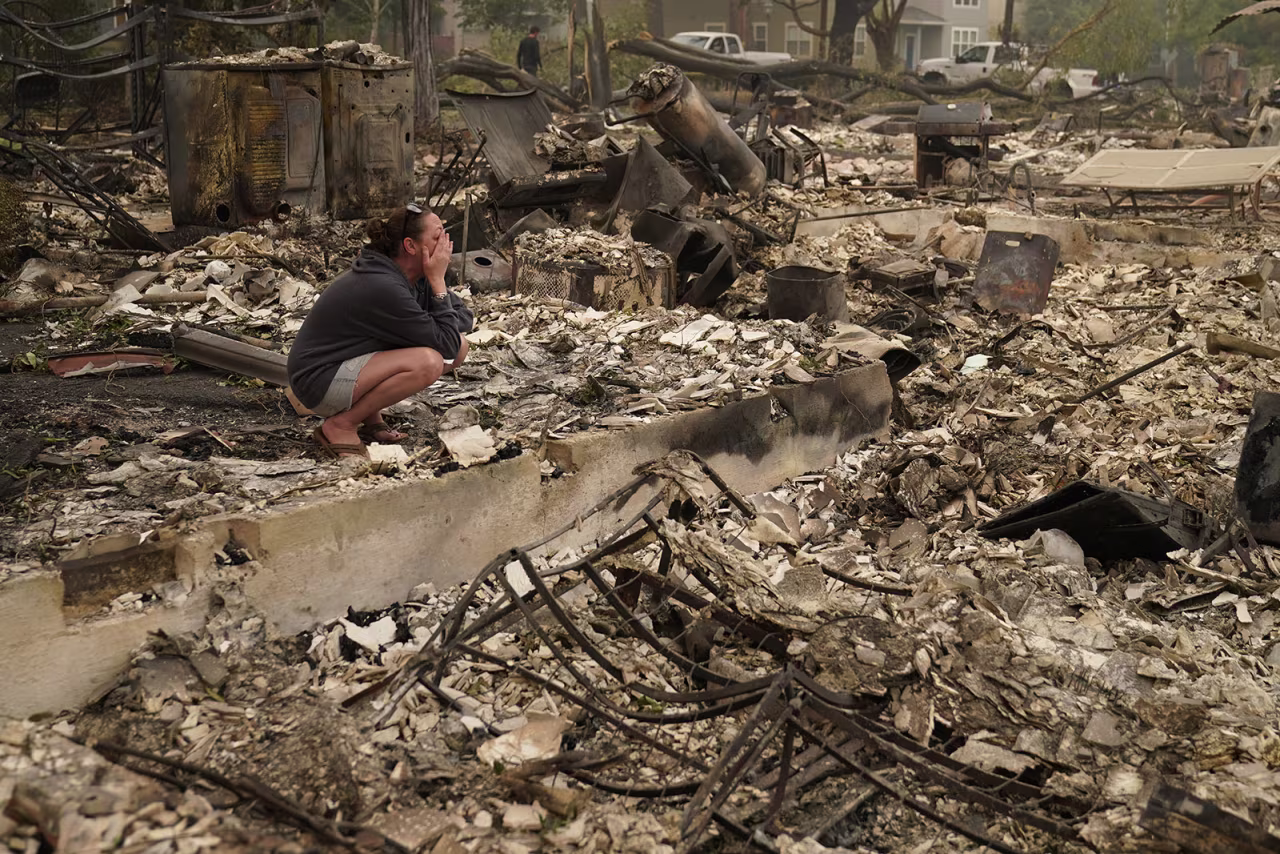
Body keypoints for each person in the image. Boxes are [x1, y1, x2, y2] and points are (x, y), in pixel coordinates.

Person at [287, 204, 473, 459]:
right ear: (410, 246)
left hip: (348, 368)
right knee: (428, 361)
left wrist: (435, 307)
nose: (445, 245)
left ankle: (370, 418)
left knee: (459, 345)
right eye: (438, 236)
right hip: (319, 380)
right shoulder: (382, 285)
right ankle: (341, 425)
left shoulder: (416, 277)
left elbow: (464, 318)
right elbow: (446, 345)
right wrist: (439, 285)